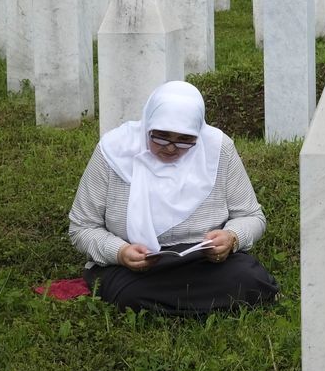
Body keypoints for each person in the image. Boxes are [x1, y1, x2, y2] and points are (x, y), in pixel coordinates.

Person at [68, 81, 279, 315]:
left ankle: (169, 305)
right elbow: (82, 227)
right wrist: (120, 252)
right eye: (161, 136)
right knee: (129, 294)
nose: (171, 148)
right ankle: (203, 302)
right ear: (148, 124)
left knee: (249, 279)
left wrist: (231, 238)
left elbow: (251, 215)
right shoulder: (113, 151)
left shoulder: (218, 149)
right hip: (137, 268)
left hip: (203, 263)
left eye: (185, 139)